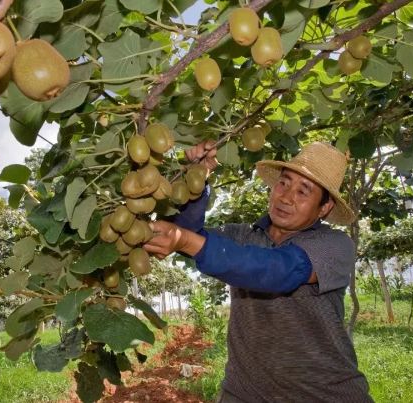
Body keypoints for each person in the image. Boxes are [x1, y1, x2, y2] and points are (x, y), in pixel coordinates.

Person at [143, 140, 373, 402]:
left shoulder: (335, 245)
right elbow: (190, 236)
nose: (286, 197)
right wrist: (197, 181)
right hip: (245, 392)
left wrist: (184, 240)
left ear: (324, 207)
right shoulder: (242, 236)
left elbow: (280, 270)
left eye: (303, 191)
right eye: (284, 183)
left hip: (322, 394)